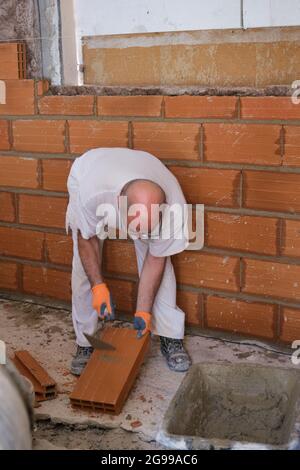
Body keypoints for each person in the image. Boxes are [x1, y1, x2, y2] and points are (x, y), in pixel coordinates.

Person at [66, 147, 192, 376]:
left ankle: (169, 335)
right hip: (89, 171)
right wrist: (98, 287)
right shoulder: (92, 193)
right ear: (119, 208)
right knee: (83, 263)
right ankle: (86, 340)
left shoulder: (174, 207)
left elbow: (156, 260)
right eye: (136, 229)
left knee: (159, 257)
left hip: (140, 178)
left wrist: (143, 311)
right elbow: (87, 240)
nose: (140, 235)